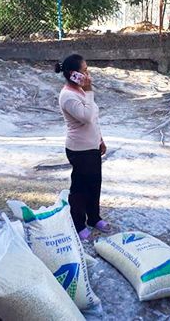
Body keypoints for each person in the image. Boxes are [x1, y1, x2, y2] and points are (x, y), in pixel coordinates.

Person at [55, 54, 108, 241]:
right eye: (84, 71)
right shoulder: (68, 96)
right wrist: (89, 90)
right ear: (73, 73)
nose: (88, 74)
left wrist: (100, 139)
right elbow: (85, 116)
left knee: (94, 184)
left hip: (92, 146)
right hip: (79, 150)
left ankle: (94, 217)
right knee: (80, 188)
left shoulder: (80, 90)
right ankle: (78, 223)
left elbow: (94, 119)